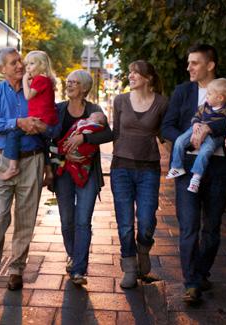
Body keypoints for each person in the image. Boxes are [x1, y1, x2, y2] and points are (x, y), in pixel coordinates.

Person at [161, 44, 226, 303]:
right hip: (187, 167)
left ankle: (200, 273)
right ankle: (191, 282)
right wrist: (188, 140)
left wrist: (210, 129)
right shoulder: (182, 91)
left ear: (210, 65)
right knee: (188, 226)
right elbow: (167, 126)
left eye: (195, 63)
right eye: (188, 63)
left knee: (212, 227)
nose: (189, 68)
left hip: (220, 167)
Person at [0, 47, 56, 293]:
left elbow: (50, 125)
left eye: (21, 61)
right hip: (1, 161)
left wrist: (47, 161)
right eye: (14, 63)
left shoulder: (35, 89)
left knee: (26, 219)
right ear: (2, 69)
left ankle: (16, 270)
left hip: (32, 160)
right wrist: (18, 123)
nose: (20, 66)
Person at [110, 60, 168, 289]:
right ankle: (129, 267)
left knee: (146, 220)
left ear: (149, 78)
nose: (131, 76)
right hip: (121, 169)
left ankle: (143, 248)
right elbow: (115, 132)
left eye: (136, 72)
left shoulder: (162, 103)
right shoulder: (120, 100)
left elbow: (166, 132)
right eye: (130, 71)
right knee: (124, 224)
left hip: (149, 170)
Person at [52, 70, 112, 285]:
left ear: (85, 88)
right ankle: (73, 254)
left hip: (88, 172)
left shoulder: (94, 110)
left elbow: (108, 134)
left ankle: (79, 269)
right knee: (67, 219)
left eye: (74, 83)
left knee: (82, 220)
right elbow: (48, 136)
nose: (69, 85)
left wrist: (84, 137)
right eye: (68, 82)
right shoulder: (59, 109)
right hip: (63, 172)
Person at [167, 78, 226, 193]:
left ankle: (196, 177)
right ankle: (177, 167)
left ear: (220, 98)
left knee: (206, 150)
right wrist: (195, 123)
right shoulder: (205, 106)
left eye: (209, 94)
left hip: (215, 136)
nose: (207, 96)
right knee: (180, 140)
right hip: (198, 128)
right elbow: (197, 115)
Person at [0, 50, 58, 180]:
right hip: (46, 120)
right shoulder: (45, 80)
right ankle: (48, 172)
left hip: (39, 119)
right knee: (44, 143)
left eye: (31, 64)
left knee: (13, 133)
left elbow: (27, 96)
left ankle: (12, 166)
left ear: (41, 65)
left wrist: (25, 80)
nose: (27, 68)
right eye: (27, 64)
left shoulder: (40, 79)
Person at [50, 111, 106, 187]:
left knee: (74, 167)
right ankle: (59, 160)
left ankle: (59, 155)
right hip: (65, 158)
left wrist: (83, 137)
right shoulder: (61, 108)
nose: (88, 119)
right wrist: (66, 156)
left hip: (86, 159)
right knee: (65, 162)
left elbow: (108, 135)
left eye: (91, 118)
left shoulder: (94, 114)